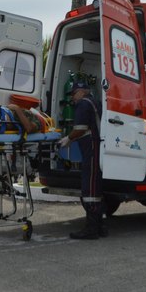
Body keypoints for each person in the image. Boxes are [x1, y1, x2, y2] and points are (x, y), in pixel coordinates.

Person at [58, 81, 106, 239]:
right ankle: (99, 226)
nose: (72, 97)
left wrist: (68, 139)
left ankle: (92, 229)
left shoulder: (83, 104)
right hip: (97, 148)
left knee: (90, 187)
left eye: (73, 93)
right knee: (96, 186)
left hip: (91, 149)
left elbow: (80, 129)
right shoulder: (95, 102)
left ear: (81, 92)